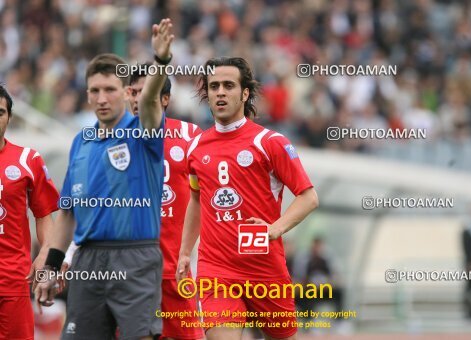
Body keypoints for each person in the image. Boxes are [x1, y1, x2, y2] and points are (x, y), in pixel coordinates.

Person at [34, 18, 174, 339]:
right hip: (88, 259)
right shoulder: (81, 142)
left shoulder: (142, 132)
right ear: (86, 94)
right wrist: (50, 268)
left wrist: (161, 61)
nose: (101, 98)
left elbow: (151, 100)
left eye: (110, 90)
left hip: (135, 257)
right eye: (95, 91)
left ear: (126, 93)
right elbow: (68, 212)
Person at [176, 57, 319, 340]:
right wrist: (184, 252)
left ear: (244, 93)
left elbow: (308, 197)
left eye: (228, 85)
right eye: (214, 86)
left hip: (264, 266)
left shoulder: (270, 143)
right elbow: (196, 200)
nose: (220, 92)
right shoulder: (195, 147)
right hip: (217, 268)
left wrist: (275, 228)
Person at [62, 62, 205, 340]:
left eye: (146, 92)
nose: (139, 98)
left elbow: (208, 192)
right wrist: (68, 253)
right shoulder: (106, 140)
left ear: (164, 99)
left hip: (175, 271)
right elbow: (90, 207)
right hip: (123, 271)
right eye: (134, 92)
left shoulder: (190, 137)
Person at [0, 85, 59, 339]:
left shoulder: (27, 160)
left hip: (13, 281)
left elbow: (45, 215)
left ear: (10, 117)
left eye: (0, 112)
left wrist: (47, 254)